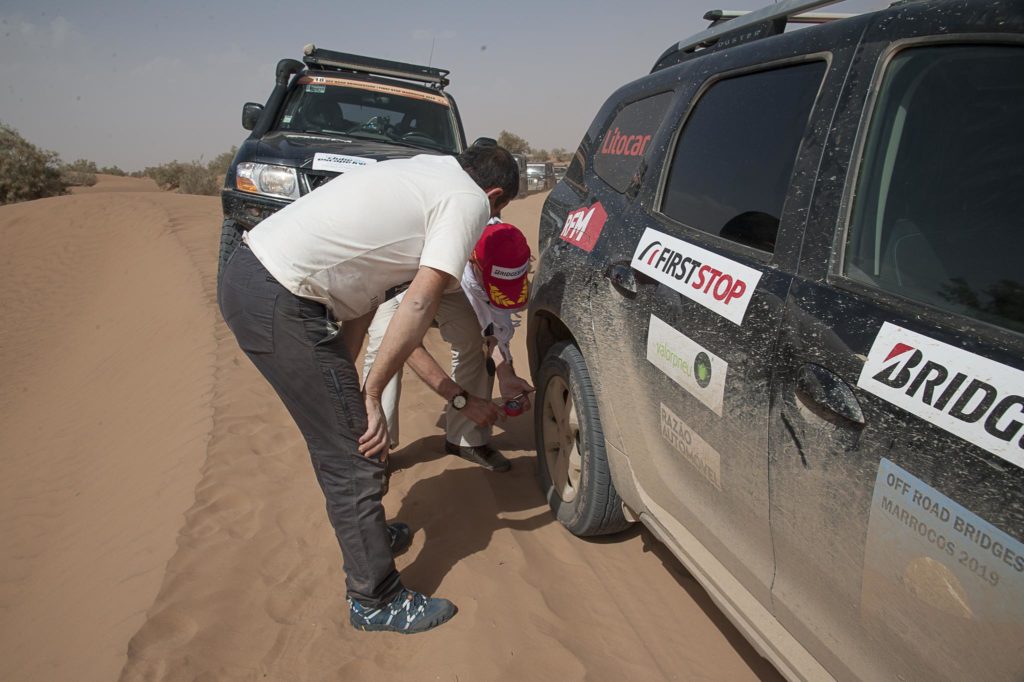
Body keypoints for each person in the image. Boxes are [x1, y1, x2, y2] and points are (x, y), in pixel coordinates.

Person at [217, 145, 519, 634]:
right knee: (353, 453)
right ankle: (375, 599)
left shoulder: (422, 174)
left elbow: (362, 297)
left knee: (344, 431)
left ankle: (370, 536)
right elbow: (419, 302)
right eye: (496, 211)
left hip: (259, 283)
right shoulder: (467, 200)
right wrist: (372, 393)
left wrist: (355, 380)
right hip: (281, 300)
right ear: (495, 194)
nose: (489, 219)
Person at [361, 221, 535, 472]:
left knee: (474, 339)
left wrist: (505, 374)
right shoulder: (437, 248)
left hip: (457, 280)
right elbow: (403, 342)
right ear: (473, 262)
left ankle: (466, 441)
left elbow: (494, 324)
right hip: (402, 276)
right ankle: (375, 454)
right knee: (384, 353)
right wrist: (462, 401)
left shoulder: (498, 244)